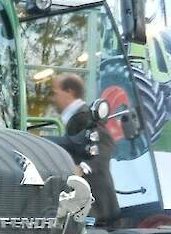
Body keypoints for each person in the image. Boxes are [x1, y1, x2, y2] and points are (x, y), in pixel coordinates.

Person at [49, 73, 119, 223]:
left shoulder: (84, 117)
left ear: (70, 92)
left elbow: (106, 144)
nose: (52, 99)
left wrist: (82, 168)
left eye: (55, 93)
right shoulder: (79, 117)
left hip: (97, 208)